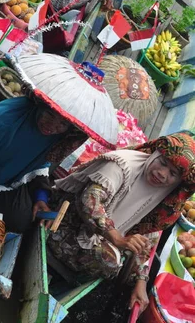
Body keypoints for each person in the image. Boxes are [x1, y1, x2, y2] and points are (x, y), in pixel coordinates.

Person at [46, 131, 195, 316]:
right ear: (156, 154)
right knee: (110, 262)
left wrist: (141, 281)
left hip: (97, 234)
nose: (162, 174)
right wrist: (116, 237)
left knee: (127, 260)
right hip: (61, 220)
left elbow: (147, 238)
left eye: (173, 173)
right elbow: (90, 200)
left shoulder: (162, 197)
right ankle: (63, 275)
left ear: (178, 182)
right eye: (162, 162)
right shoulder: (122, 165)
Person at [0, 95, 90, 233]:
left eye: (62, 124)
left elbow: (41, 164)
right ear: (42, 105)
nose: (52, 126)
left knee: (21, 220)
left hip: (2, 179)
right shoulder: (5, 120)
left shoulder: (58, 138)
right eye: (50, 115)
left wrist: (41, 197)